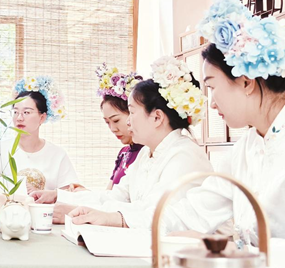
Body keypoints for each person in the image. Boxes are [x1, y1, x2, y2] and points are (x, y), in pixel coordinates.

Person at [33, 57, 212, 230]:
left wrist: (100, 215)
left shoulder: (184, 155)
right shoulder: (146, 154)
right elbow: (114, 197)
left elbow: (154, 213)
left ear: (157, 117)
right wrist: (59, 197)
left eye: (132, 112)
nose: (128, 121)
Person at [162, 0, 285, 247]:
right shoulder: (244, 149)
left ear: (246, 82)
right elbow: (194, 212)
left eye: (212, 87)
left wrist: (233, 249)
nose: (212, 103)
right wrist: (119, 220)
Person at [0, 75, 78, 193]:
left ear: (42, 117)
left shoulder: (57, 155)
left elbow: (69, 195)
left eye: (26, 112)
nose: (19, 118)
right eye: (15, 112)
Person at [96, 65, 144, 190]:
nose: (112, 129)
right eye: (107, 122)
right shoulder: (123, 153)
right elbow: (108, 194)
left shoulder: (148, 153)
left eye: (116, 120)